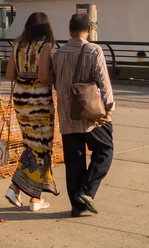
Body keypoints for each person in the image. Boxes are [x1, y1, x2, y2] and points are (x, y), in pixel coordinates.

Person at [52, 13, 115, 217]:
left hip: (67, 113)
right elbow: (103, 82)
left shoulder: (58, 54)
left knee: (74, 159)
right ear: (88, 30)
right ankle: (86, 190)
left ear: (69, 30)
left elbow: (55, 82)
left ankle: (76, 206)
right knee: (105, 149)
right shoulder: (93, 50)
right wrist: (109, 108)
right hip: (91, 113)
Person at [4, 12, 58, 211]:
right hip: (39, 103)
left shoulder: (18, 45)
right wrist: (57, 77)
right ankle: (34, 198)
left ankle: (16, 189)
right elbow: (44, 77)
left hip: (21, 101)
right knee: (43, 147)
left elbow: (10, 74)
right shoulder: (44, 46)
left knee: (31, 146)